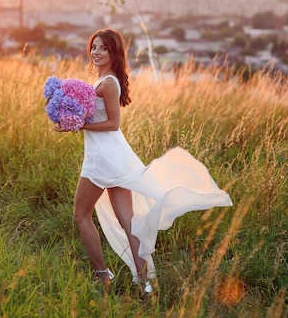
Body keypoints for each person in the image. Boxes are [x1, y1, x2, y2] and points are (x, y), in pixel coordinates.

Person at [57, 28, 233, 294]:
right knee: (127, 220)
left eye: (103, 48)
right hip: (113, 156)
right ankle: (143, 282)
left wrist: (79, 125)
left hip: (102, 157)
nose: (96, 52)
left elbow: (113, 124)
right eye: (94, 47)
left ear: (114, 52)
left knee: (81, 215)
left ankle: (102, 275)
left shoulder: (109, 83)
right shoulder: (105, 80)